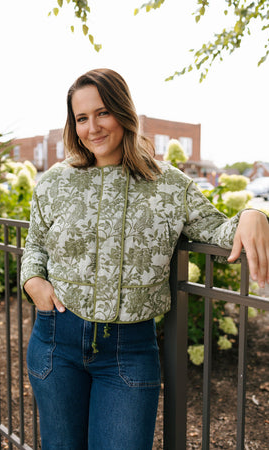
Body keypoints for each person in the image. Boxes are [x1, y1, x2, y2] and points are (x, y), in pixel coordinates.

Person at [20, 68, 269, 450]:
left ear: (123, 111)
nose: (92, 128)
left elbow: (220, 231)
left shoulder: (169, 184)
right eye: (81, 118)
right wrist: (33, 281)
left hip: (128, 351)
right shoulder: (54, 181)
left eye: (102, 113)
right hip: (56, 342)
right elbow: (35, 245)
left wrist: (254, 213)